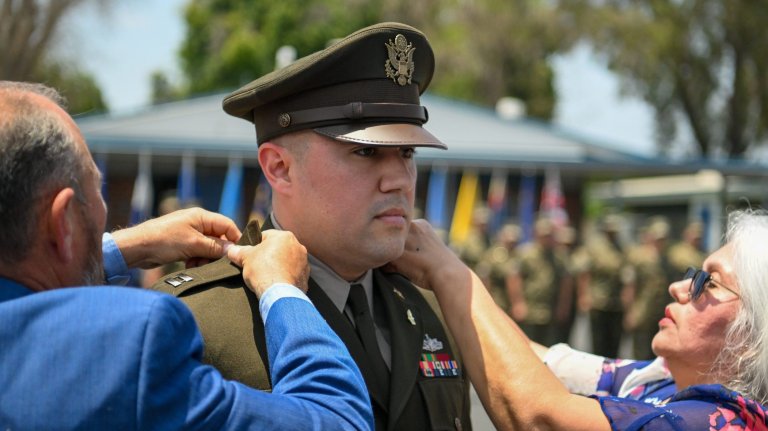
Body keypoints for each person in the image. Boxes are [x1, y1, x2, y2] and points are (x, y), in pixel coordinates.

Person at [152, 22, 472, 431]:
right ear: (279, 168)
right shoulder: (192, 320)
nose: (400, 180)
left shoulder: (431, 307)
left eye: (407, 152)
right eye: (366, 152)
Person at [0, 81, 372, 430]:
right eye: (96, 189)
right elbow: (339, 418)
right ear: (64, 222)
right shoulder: (126, 346)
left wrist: (123, 247)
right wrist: (282, 289)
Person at [387, 211, 768, 430]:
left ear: (753, 339)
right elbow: (538, 360)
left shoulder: (717, 422)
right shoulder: (660, 380)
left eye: (708, 282)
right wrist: (443, 286)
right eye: (692, 274)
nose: (680, 287)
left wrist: (449, 274)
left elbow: (539, 417)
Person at [575, 213, 632, 356]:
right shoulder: (595, 248)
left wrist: (627, 301)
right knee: (599, 341)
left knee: (615, 341)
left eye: (614, 231)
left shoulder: (622, 249)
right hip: (598, 301)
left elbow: (628, 277)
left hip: (616, 302)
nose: (612, 234)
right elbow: (585, 273)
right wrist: (584, 295)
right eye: (609, 230)